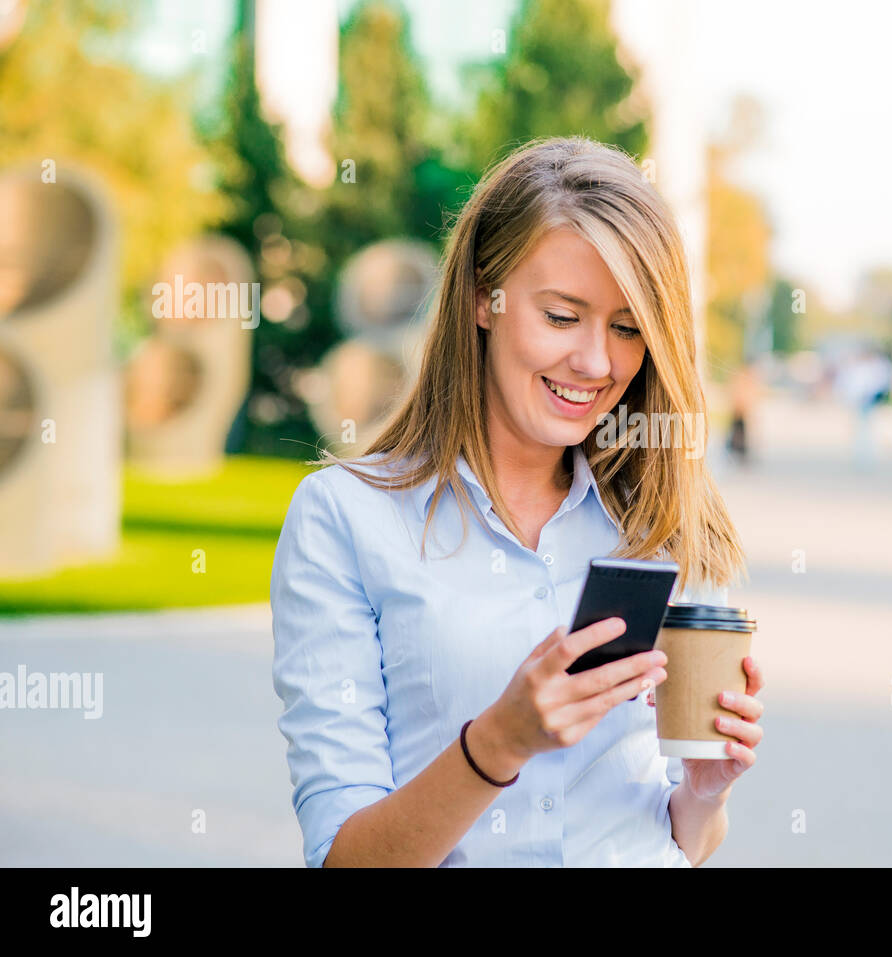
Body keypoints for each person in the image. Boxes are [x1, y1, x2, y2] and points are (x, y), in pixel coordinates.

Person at [270, 136, 765, 868]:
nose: (597, 362)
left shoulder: (661, 520)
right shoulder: (344, 520)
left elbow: (677, 836)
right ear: (482, 297)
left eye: (628, 328)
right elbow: (345, 859)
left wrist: (705, 791)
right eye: (562, 317)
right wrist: (501, 738)